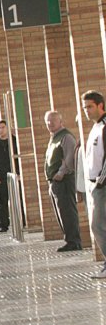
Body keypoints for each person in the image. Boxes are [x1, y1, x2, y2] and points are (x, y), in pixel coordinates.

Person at [43, 110, 82, 252]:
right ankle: (69, 239)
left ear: (61, 121)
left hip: (64, 180)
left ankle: (74, 241)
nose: (50, 123)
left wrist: (60, 173)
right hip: (55, 182)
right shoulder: (54, 137)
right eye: (47, 121)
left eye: (53, 120)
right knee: (61, 212)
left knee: (67, 211)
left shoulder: (65, 137)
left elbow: (70, 157)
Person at [82, 91, 106, 278]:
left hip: (102, 185)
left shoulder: (105, 126)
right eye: (84, 108)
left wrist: (100, 181)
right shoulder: (95, 128)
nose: (86, 111)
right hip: (94, 185)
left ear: (100, 105)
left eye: (89, 106)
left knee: (97, 225)